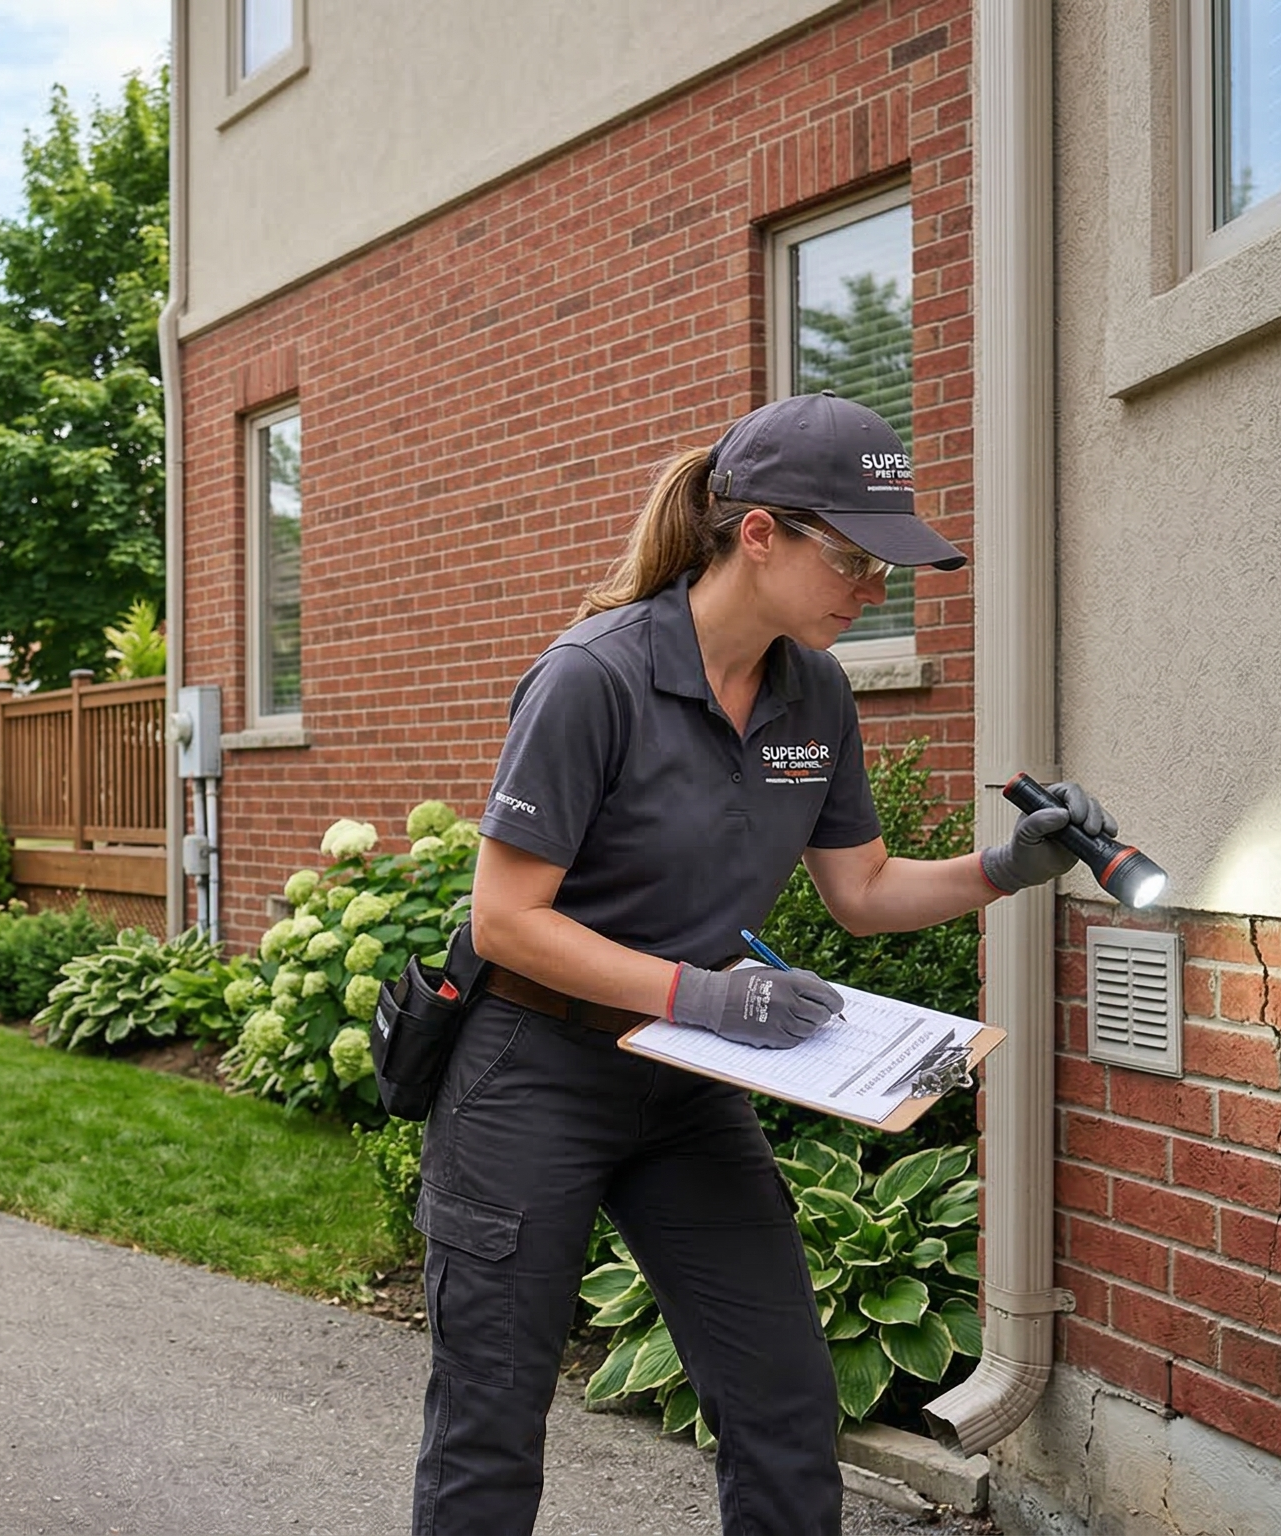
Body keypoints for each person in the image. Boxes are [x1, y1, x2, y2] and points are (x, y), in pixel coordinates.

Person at [412, 392, 1113, 1535]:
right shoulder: (593, 677)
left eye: (882, 567)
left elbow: (862, 889)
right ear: (756, 535)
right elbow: (505, 921)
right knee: (487, 1426)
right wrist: (705, 993)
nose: (867, 587)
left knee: (785, 1404)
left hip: (682, 1081)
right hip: (531, 1073)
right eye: (850, 558)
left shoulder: (813, 694)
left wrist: (1003, 868)